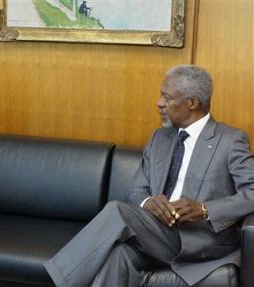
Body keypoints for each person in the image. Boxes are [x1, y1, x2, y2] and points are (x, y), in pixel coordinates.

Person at [44, 65, 254, 286]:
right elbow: (136, 190)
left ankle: (57, 281)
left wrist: (204, 209)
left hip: (201, 240)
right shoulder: (159, 138)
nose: (159, 103)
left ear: (192, 103)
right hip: (157, 233)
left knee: (117, 211)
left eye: (167, 97)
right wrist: (149, 202)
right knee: (119, 255)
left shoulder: (229, 140)